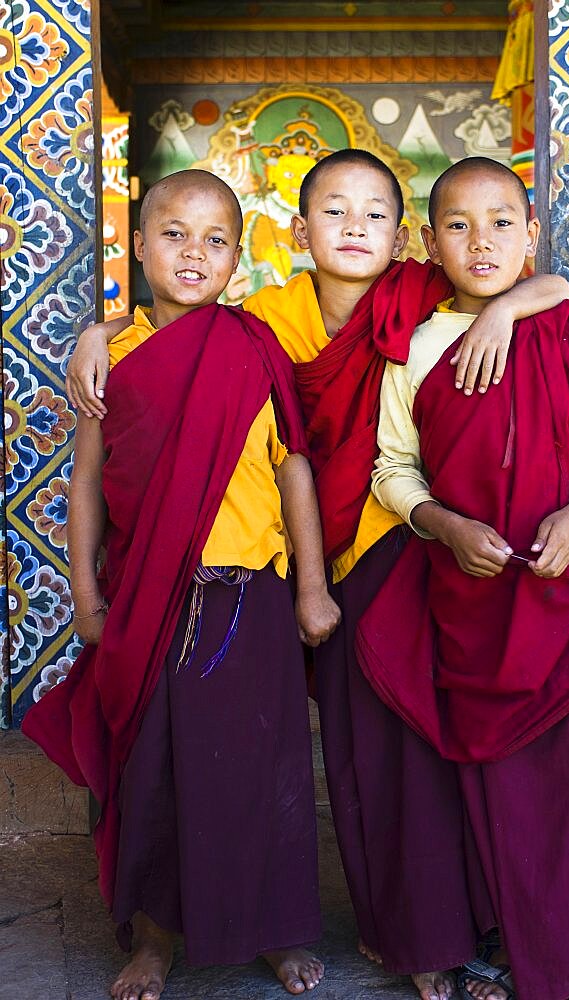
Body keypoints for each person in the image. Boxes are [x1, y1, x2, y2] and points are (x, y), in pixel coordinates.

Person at [64, 150, 569, 1000]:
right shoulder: (260, 317)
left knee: (353, 755)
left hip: (383, 548)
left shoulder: (398, 298)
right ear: (296, 232)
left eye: (374, 214)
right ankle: (209, 933)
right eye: (333, 213)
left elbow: (546, 288)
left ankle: (424, 927)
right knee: (246, 759)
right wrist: (100, 329)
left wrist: (506, 307)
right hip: (244, 573)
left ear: (403, 232)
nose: (353, 229)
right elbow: (154, 375)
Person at [356, 156, 569, 1000]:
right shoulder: (415, 347)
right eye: (458, 225)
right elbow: (390, 467)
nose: (481, 241)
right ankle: (508, 936)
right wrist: (441, 524)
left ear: (531, 232)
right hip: (467, 593)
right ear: (429, 242)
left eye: (502, 222)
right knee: (492, 785)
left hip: (561, 585)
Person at [23, 169, 343, 1000]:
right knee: (154, 772)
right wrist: (87, 601)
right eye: (174, 233)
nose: (194, 253)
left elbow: (295, 470)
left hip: (253, 597)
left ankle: (272, 930)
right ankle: (157, 939)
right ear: (136, 243)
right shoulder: (117, 355)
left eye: (216, 239)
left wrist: (312, 587)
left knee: (264, 770)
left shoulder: (253, 344)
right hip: (155, 601)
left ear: (240, 254)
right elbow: (86, 482)